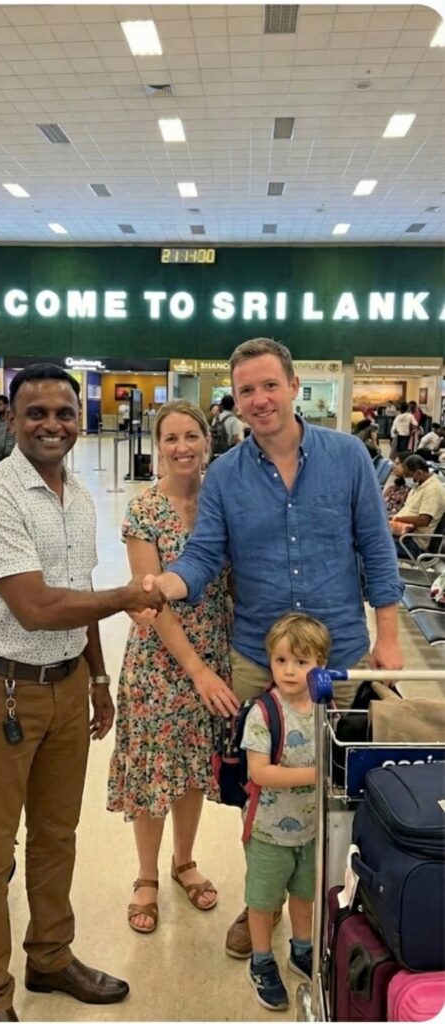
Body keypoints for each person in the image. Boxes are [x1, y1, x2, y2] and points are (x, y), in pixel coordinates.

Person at [141, 337, 403, 957]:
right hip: (259, 661)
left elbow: (376, 547)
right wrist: (168, 583)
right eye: (246, 390)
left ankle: (333, 901)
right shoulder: (226, 476)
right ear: (236, 399)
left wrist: (389, 637)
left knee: (341, 785)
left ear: (293, 387)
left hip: (339, 655)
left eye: (269, 386)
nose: (259, 400)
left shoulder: (347, 456)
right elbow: (205, 555)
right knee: (261, 789)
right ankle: (262, 899)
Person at [0, 364, 165, 1022]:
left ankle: (49, 956)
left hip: (67, 686)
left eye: (64, 413)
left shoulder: (77, 495)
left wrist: (97, 678)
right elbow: (39, 608)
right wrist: (129, 596)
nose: (52, 424)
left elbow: (78, 592)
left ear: (80, 418)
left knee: (56, 836)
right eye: (36, 413)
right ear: (11, 420)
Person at [107, 400, 238, 935]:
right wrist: (196, 669)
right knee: (153, 770)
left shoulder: (223, 501)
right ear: (157, 446)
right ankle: (146, 876)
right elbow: (152, 601)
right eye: (171, 438)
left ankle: (184, 862)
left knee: (193, 766)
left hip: (214, 649)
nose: (182, 447)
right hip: (161, 663)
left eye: (191, 436)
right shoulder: (145, 511)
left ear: (208, 441)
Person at [242, 612, 330, 1012]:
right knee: (263, 901)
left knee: (305, 895)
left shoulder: (324, 707)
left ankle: (302, 948)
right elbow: (260, 772)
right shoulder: (264, 712)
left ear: (320, 664)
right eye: (281, 660)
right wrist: (317, 774)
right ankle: (261, 961)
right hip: (267, 831)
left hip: (310, 830)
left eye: (301, 661)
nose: (290, 670)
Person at [390, 454, 445, 558]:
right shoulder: (418, 486)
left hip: (413, 544)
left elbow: (423, 520)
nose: (406, 479)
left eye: (407, 476)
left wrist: (396, 519)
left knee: (372, 546)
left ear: (418, 473)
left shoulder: (433, 490)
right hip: (402, 536)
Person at [210, 394, 244, 458]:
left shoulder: (216, 417)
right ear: (234, 406)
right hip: (227, 452)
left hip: (215, 451)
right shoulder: (233, 420)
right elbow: (235, 439)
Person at [383, 452, 411, 517]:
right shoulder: (393, 487)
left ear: (406, 466)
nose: (393, 466)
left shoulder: (410, 490)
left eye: (397, 464)